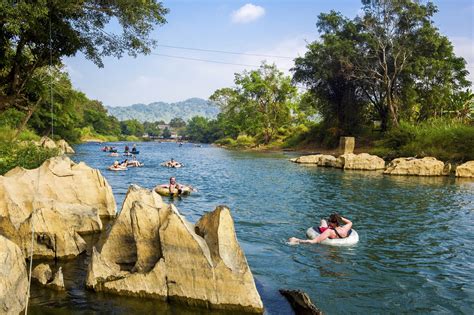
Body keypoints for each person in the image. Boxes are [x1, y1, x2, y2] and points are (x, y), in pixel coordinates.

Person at [288, 213, 353, 245]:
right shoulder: (345, 229)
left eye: (329, 221)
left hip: (327, 230)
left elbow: (314, 241)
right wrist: (339, 218)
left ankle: (323, 221)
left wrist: (297, 240)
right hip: (337, 231)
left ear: (331, 222)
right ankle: (325, 221)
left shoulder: (329, 231)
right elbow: (350, 222)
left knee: (323, 221)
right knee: (324, 222)